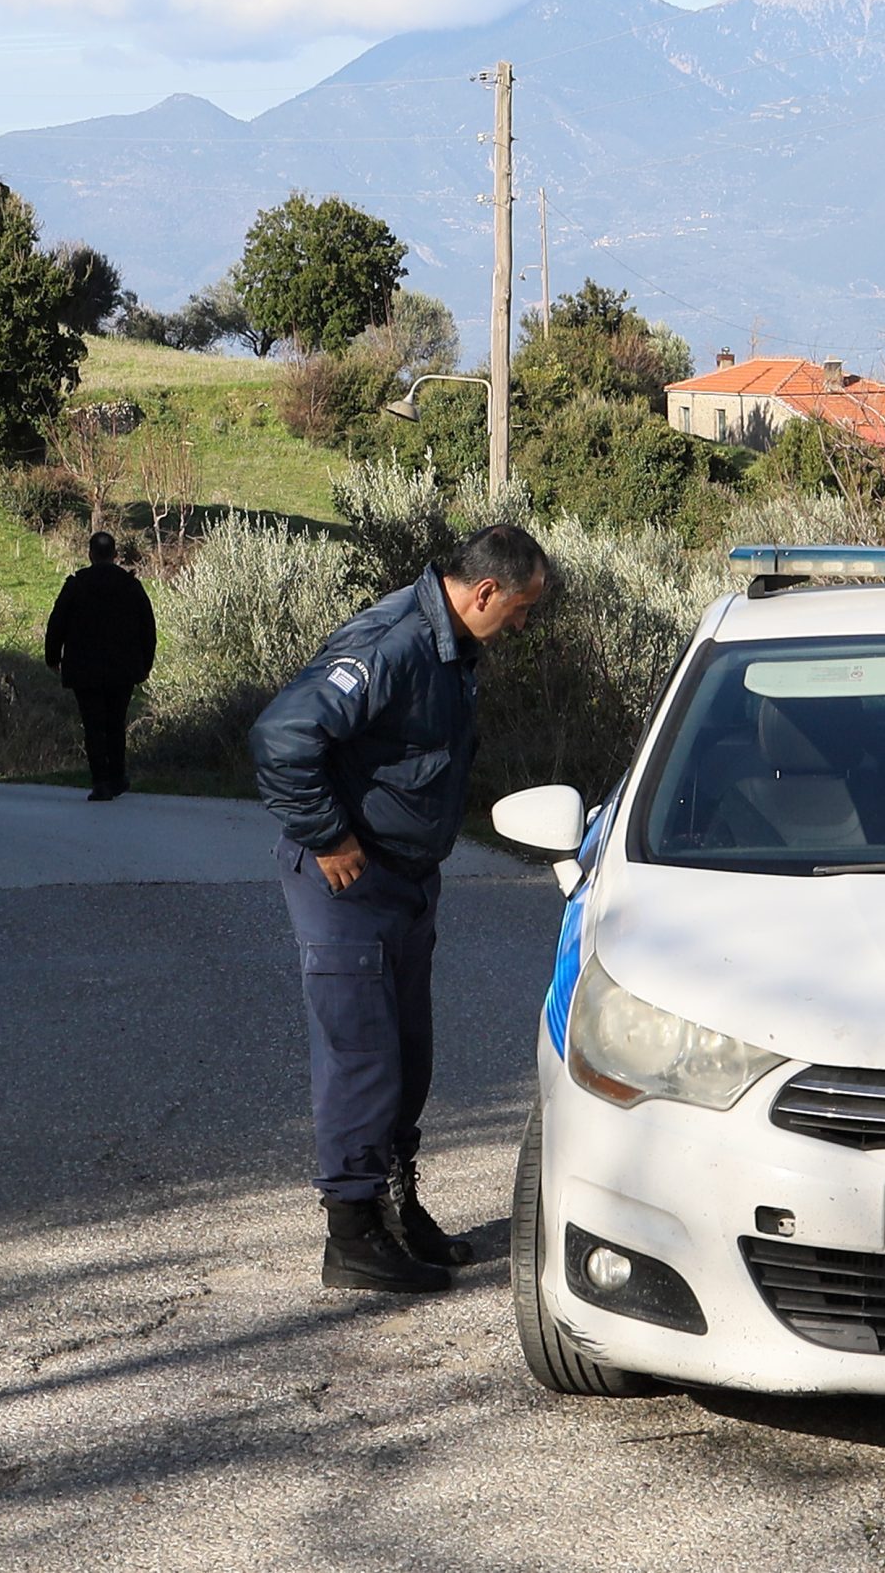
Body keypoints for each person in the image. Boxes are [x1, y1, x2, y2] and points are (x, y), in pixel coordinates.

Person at [250, 525, 551, 1294]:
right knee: (362, 1054)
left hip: (408, 881)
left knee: (406, 1053)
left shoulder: (454, 646)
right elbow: (282, 737)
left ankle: (395, 1208)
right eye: (519, 609)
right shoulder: (395, 643)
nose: (522, 625)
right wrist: (330, 836)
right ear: (484, 592)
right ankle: (352, 1234)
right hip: (352, 881)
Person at [41, 530, 157, 801]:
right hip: (123, 669)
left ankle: (101, 782)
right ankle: (117, 777)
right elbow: (147, 628)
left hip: (85, 669)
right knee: (116, 723)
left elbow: (56, 623)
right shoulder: (131, 586)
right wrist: (145, 663)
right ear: (115, 555)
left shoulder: (76, 584)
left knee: (93, 724)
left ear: (90, 554)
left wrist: (52, 658)